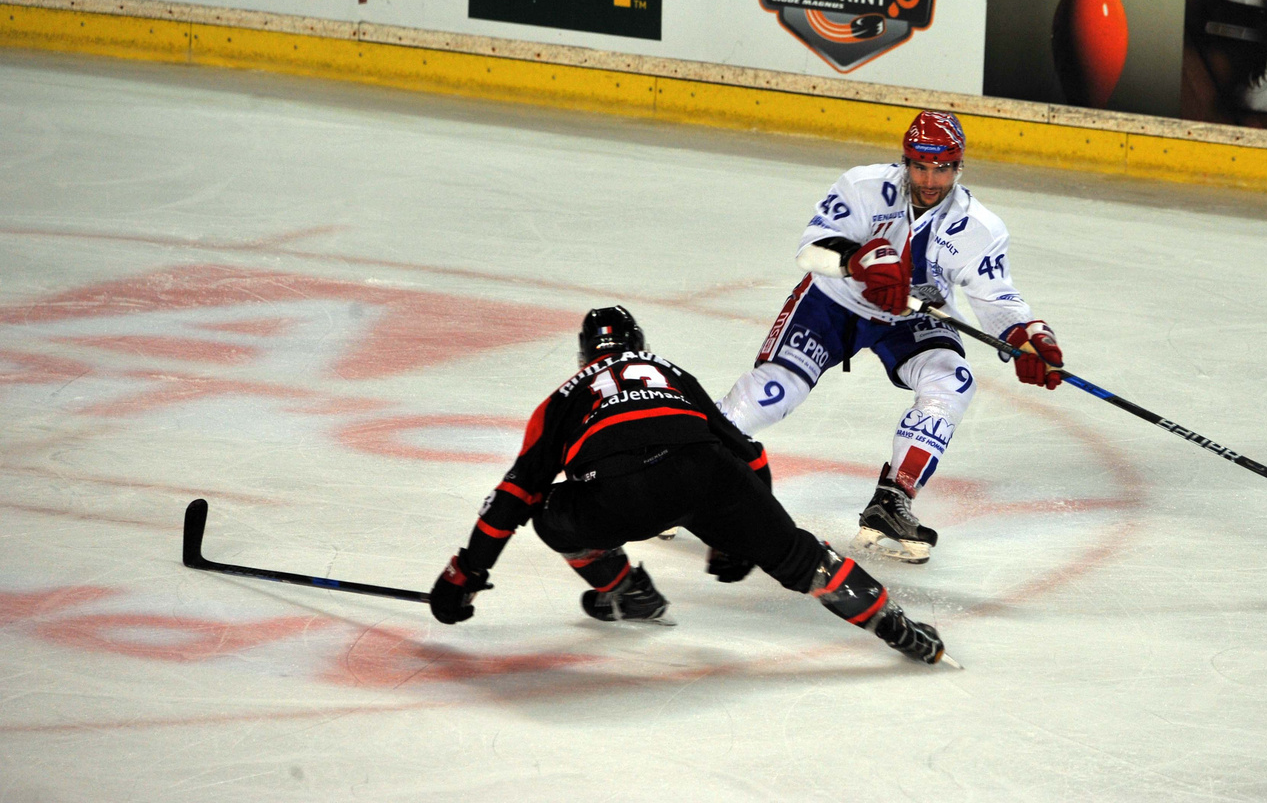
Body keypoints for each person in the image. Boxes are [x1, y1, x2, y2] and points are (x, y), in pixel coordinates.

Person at [429, 306, 950, 666]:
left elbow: (514, 496)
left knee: (546, 508)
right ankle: (897, 627)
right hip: (708, 477)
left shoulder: (565, 395)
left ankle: (626, 593)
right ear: (639, 347)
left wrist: (466, 572)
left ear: (585, 357)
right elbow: (751, 452)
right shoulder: (668, 370)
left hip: (620, 495)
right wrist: (735, 536)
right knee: (800, 557)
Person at [718, 111, 1065, 564]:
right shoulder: (864, 186)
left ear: (959, 167)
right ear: (905, 161)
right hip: (834, 302)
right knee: (773, 391)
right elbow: (812, 248)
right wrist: (858, 259)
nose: (929, 178)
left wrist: (1028, 336)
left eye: (942, 168)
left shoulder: (979, 227)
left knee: (952, 380)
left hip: (913, 315)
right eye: (920, 165)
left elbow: (996, 297)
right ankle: (681, 466)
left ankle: (892, 498)